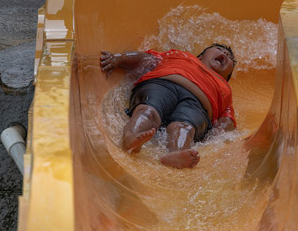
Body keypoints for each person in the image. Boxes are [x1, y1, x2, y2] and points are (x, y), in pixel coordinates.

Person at [100, 43, 237, 168]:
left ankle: (177, 154)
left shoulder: (224, 88)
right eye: (219, 50)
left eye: (229, 57)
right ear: (200, 56)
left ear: (226, 77)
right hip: (162, 84)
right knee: (148, 111)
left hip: (198, 104)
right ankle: (132, 136)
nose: (224, 54)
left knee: (184, 127)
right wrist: (118, 59)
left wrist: (219, 134)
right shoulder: (181, 56)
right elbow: (146, 58)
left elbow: (226, 119)